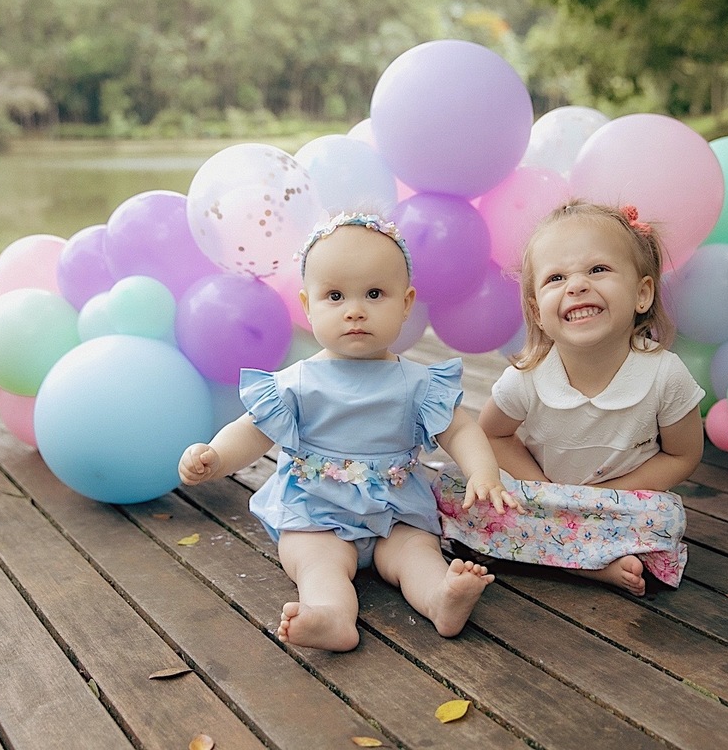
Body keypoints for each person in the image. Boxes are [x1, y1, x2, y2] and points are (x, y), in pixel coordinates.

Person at [179, 212, 520, 652]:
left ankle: (441, 598)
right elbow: (252, 431)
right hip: (315, 511)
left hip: (396, 510)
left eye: (375, 294)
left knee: (417, 553)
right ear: (307, 306)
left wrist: (482, 471)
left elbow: (460, 430)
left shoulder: (418, 383)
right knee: (316, 563)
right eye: (335, 296)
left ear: (405, 302)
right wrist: (217, 457)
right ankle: (332, 616)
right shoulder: (298, 381)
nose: (355, 310)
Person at [434, 200, 705, 596]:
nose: (576, 285)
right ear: (538, 312)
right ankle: (595, 567)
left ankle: (544, 556)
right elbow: (491, 436)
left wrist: (609, 495)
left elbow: (682, 455)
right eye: (556, 278)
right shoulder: (528, 377)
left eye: (598, 270)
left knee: (664, 516)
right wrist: (546, 490)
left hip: (618, 505)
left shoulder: (664, 375)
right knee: (454, 488)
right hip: (543, 496)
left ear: (642, 293)